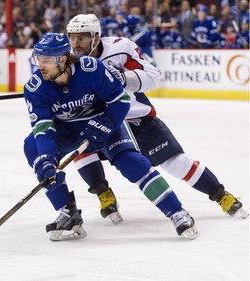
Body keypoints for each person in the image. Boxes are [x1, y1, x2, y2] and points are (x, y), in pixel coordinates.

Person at [65, 14, 248, 223]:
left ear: (96, 37)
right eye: (72, 37)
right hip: (103, 123)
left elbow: (152, 76)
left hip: (136, 119)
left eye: (82, 38)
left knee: (176, 163)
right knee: (80, 148)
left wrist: (125, 77)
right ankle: (104, 194)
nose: (75, 44)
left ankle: (221, 195)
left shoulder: (120, 48)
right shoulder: (68, 62)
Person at [23, 32, 199, 242]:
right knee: (34, 149)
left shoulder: (91, 69)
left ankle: (177, 212)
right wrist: (48, 158)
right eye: (37, 59)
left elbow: (121, 100)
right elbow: (43, 128)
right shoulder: (35, 88)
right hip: (69, 131)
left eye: (46, 60)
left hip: (105, 124)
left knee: (132, 163)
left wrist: (107, 123)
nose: (39, 65)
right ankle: (68, 213)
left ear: (62, 59)